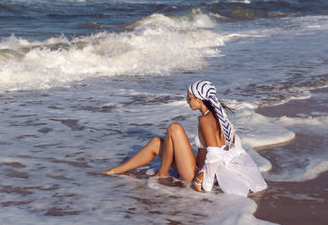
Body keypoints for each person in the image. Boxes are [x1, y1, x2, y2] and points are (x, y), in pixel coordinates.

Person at [105, 80, 267, 196]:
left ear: (199, 99)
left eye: (189, 98)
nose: (187, 101)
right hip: (199, 167)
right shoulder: (219, 116)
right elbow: (229, 148)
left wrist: (201, 178)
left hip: (195, 174)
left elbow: (215, 154)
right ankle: (115, 171)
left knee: (174, 128)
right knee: (156, 142)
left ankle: (161, 173)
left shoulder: (205, 120)